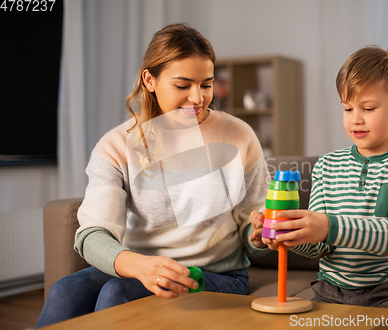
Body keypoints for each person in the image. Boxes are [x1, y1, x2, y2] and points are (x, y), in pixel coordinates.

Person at [36, 23, 269, 328]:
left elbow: (251, 228)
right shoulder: (116, 146)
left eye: (207, 84)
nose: (197, 98)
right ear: (150, 80)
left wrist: (258, 234)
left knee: (118, 293)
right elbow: (93, 235)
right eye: (183, 85)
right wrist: (137, 264)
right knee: (65, 291)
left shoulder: (238, 136)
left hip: (215, 273)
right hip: (140, 265)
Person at [251, 46, 388, 329]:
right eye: (347, 108)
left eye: (368, 108)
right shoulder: (327, 165)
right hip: (331, 290)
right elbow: (320, 248)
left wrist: (328, 226)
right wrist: (289, 233)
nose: (355, 118)